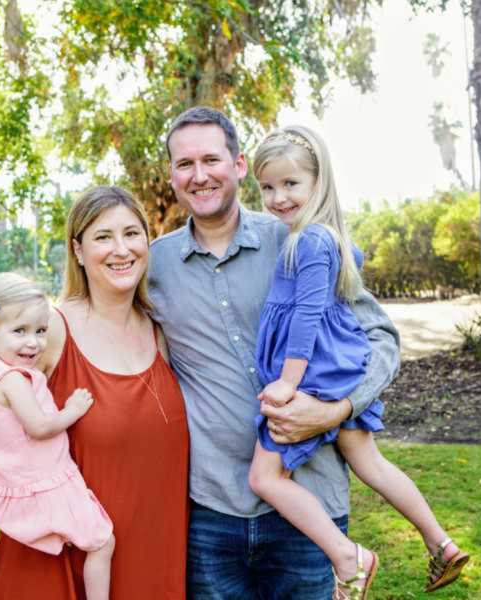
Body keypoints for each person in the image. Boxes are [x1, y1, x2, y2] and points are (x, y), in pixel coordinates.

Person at [147, 107, 400, 599]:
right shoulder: (153, 266)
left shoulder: (301, 240)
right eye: (184, 164)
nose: (199, 176)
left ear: (239, 165)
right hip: (210, 511)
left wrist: (337, 410)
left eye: (211, 159)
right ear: (172, 175)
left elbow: (382, 339)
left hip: (311, 501)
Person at [246, 126, 470, 598]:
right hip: (337, 368)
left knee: (265, 477)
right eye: (268, 187)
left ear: (318, 182)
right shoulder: (328, 238)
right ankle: (440, 542)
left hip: (313, 375)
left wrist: (288, 382)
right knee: (369, 461)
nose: (278, 197)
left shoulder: (308, 241)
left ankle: (350, 558)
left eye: (291, 184)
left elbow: (306, 317)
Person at [0, 186, 189, 599]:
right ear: (77, 251)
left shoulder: (159, 333)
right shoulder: (52, 332)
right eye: (102, 237)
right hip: (63, 560)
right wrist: (25, 507)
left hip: (154, 555)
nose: (121, 249)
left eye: (132, 233)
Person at [0, 273, 115, 600]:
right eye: (20, 331)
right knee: (102, 543)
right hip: (50, 484)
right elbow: (39, 427)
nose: (34, 343)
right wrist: (72, 409)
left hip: (18, 484)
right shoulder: (13, 380)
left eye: (41, 331)